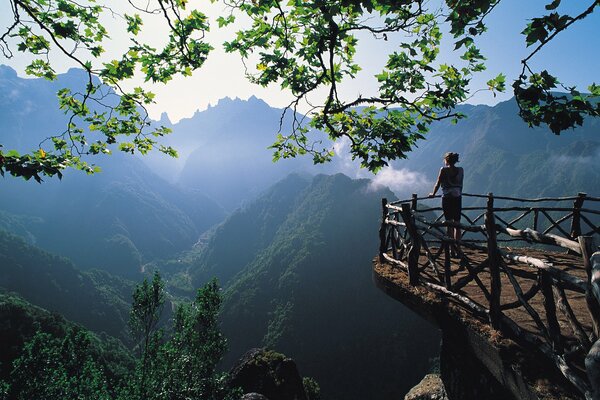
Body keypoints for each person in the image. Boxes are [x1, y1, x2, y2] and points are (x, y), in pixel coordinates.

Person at [429, 152, 463, 256]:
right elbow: (461, 184)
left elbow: (438, 183)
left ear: (446, 160)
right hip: (457, 197)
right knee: (457, 224)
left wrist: (433, 194)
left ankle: (451, 249)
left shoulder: (443, 170)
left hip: (447, 198)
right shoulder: (461, 170)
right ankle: (458, 248)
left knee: (449, 224)